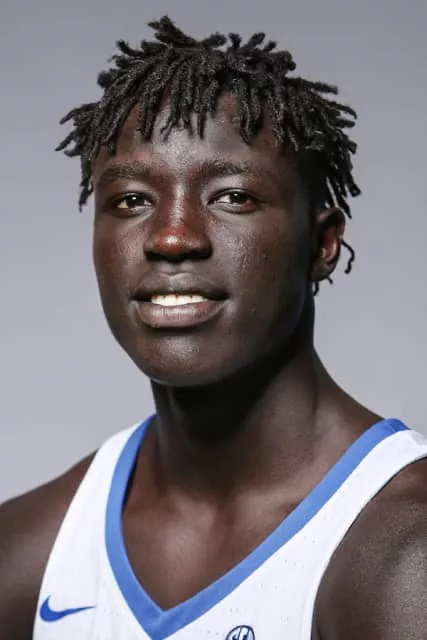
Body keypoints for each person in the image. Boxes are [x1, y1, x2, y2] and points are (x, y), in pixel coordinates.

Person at [1, 15, 426, 640]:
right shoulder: (30, 556)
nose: (173, 237)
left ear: (323, 244)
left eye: (233, 197)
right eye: (131, 200)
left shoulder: (403, 553)